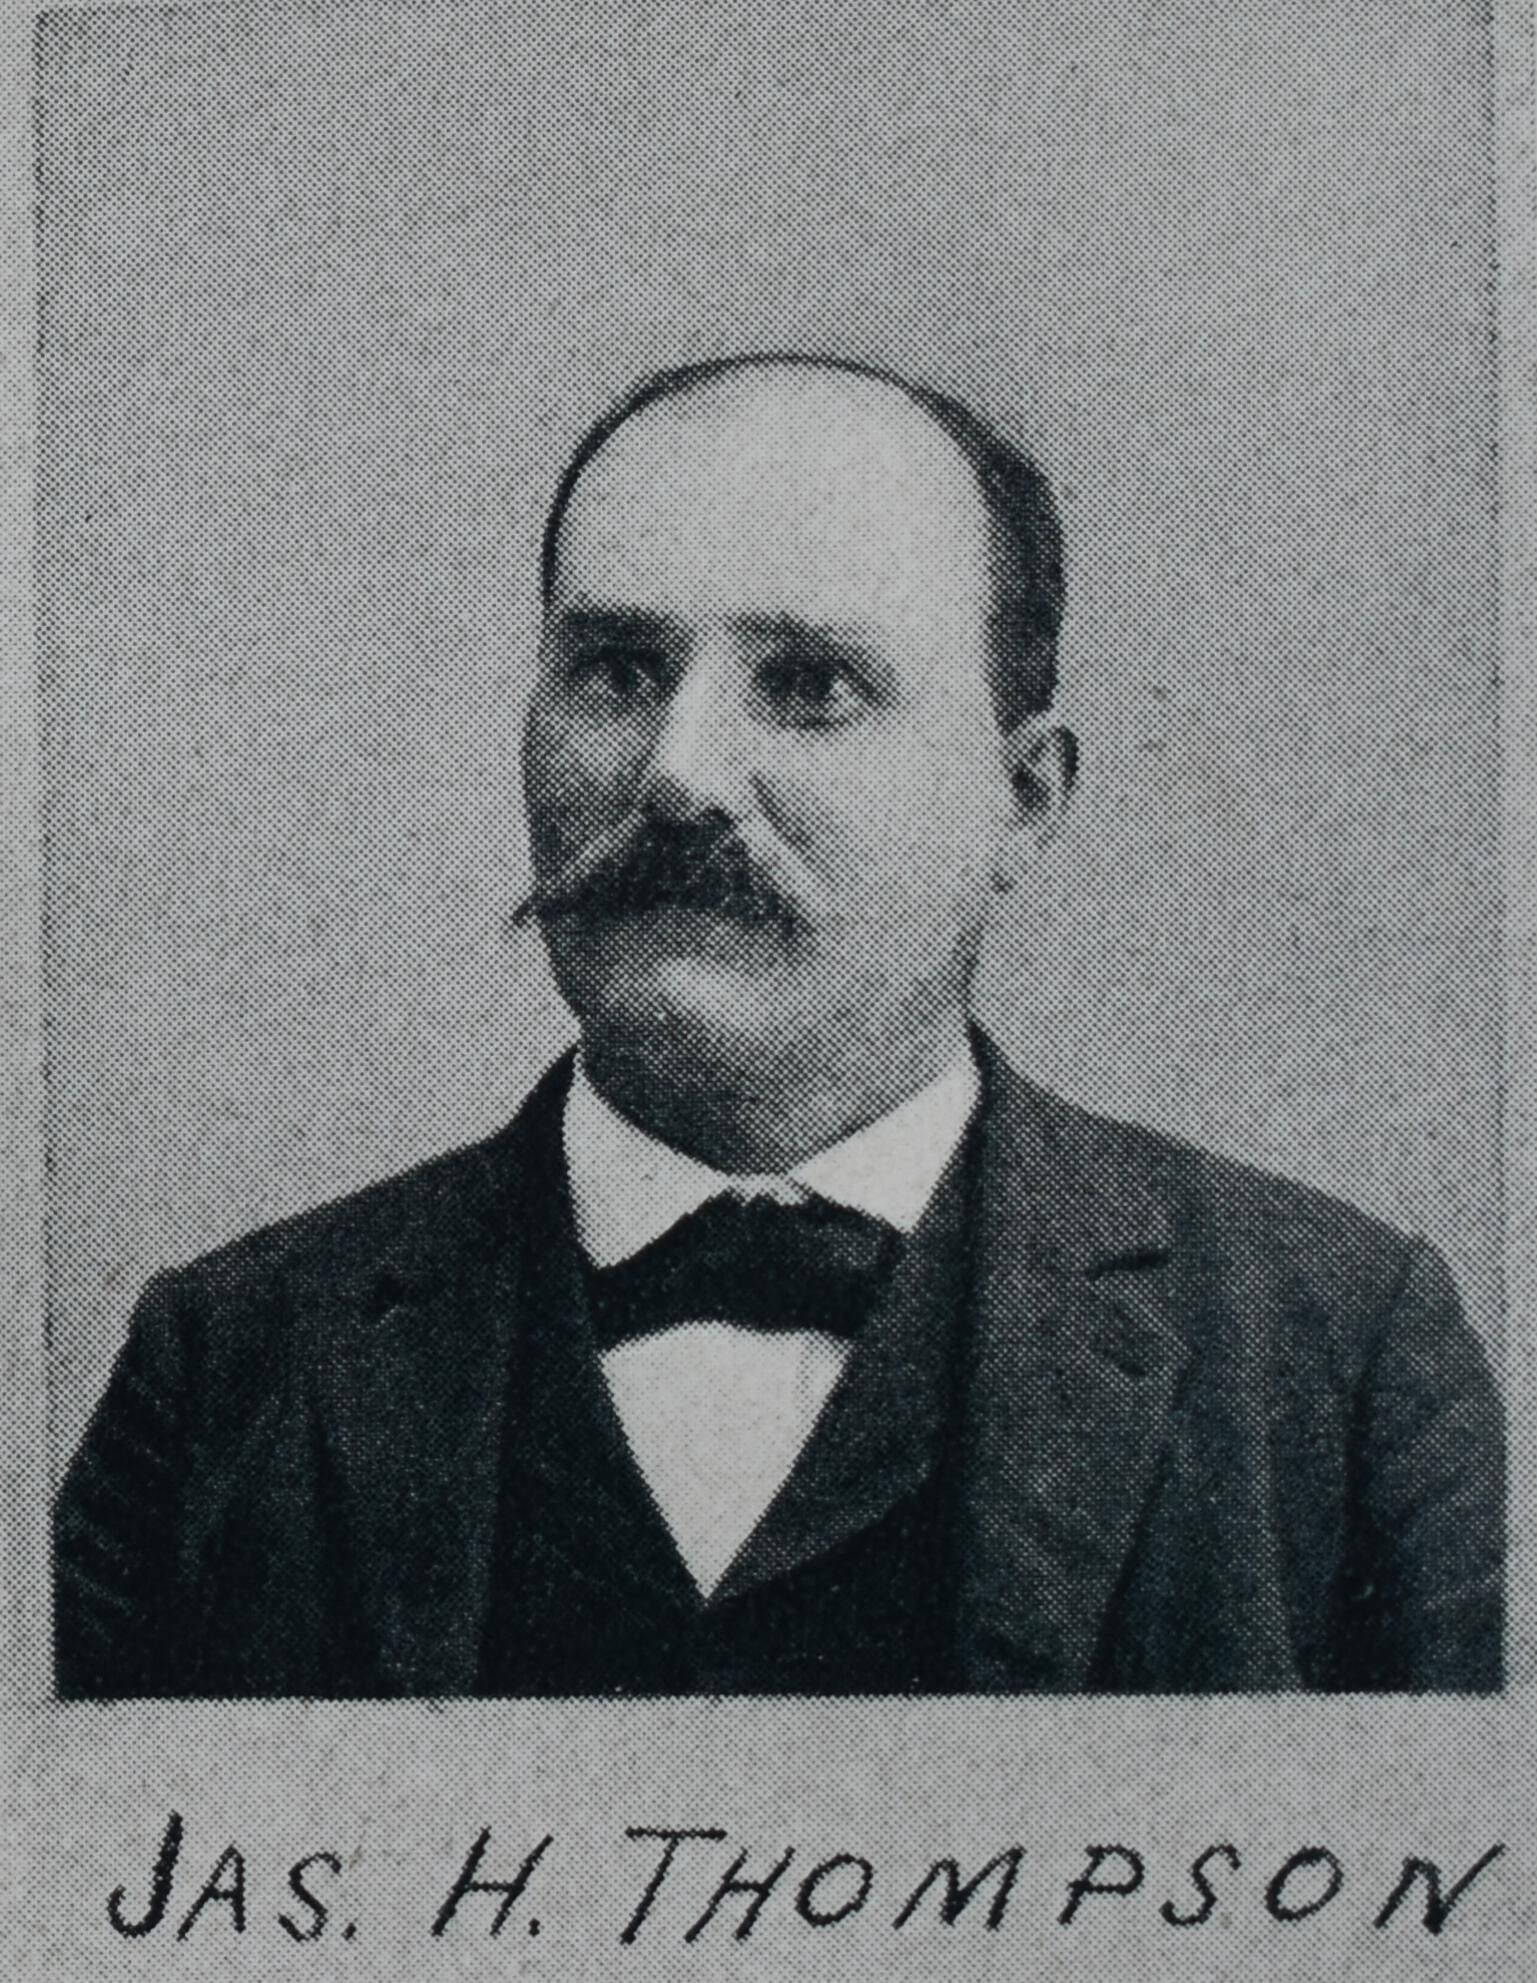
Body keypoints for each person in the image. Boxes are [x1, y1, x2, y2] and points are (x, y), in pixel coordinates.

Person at [54, 353, 1505, 1697]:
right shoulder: (225, 1368)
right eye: (617, 671)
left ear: (1022, 799)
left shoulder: (1338, 1362)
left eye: (809, 686)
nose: (679, 775)